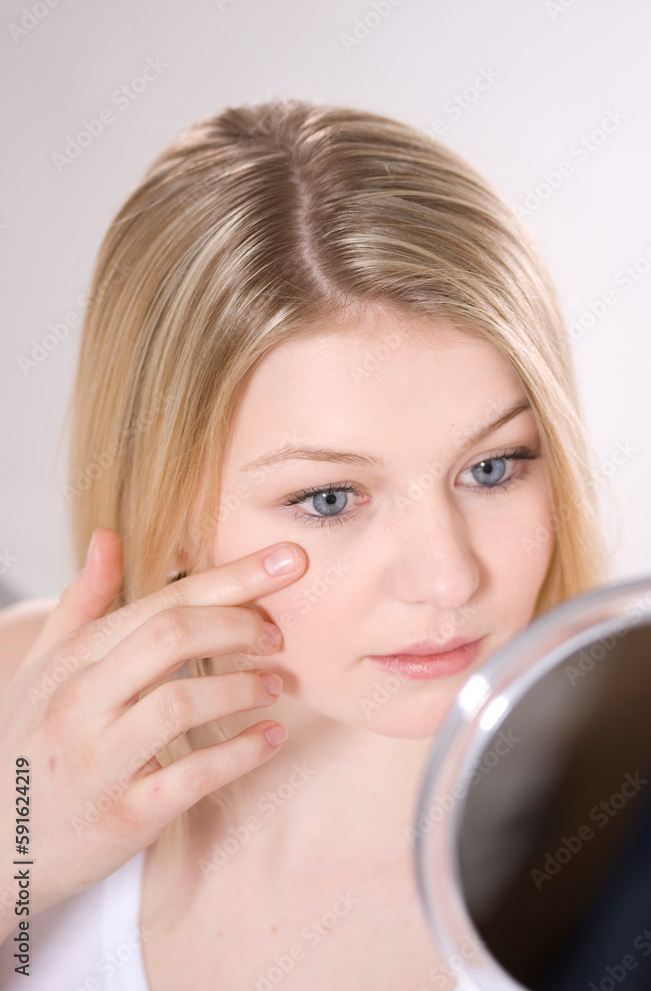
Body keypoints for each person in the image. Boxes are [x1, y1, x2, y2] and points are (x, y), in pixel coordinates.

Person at [0, 97, 613, 989]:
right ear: (166, 502)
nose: (446, 578)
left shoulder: (629, 804)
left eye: (493, 468)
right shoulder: (20, 708)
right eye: (329, 498)